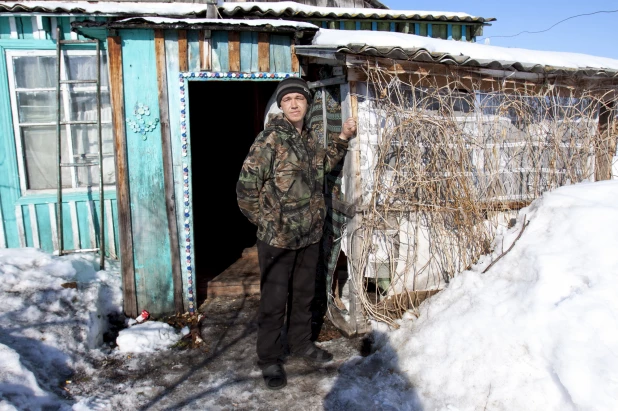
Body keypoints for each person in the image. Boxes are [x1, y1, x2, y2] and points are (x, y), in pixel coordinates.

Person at [236, 77, 357, 390]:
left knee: (304, 296)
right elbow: (245, 187)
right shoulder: (271, 139)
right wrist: (266, 221)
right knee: (275, 302)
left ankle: (301, 344)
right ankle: (270, 358)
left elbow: (324, 165)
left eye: (299, 99)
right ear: (281, 105)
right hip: (277, 239)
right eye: (287, 99)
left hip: (310, 235)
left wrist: (343, 137)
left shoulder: (310, 139)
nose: (293, 104)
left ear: (306, 104)